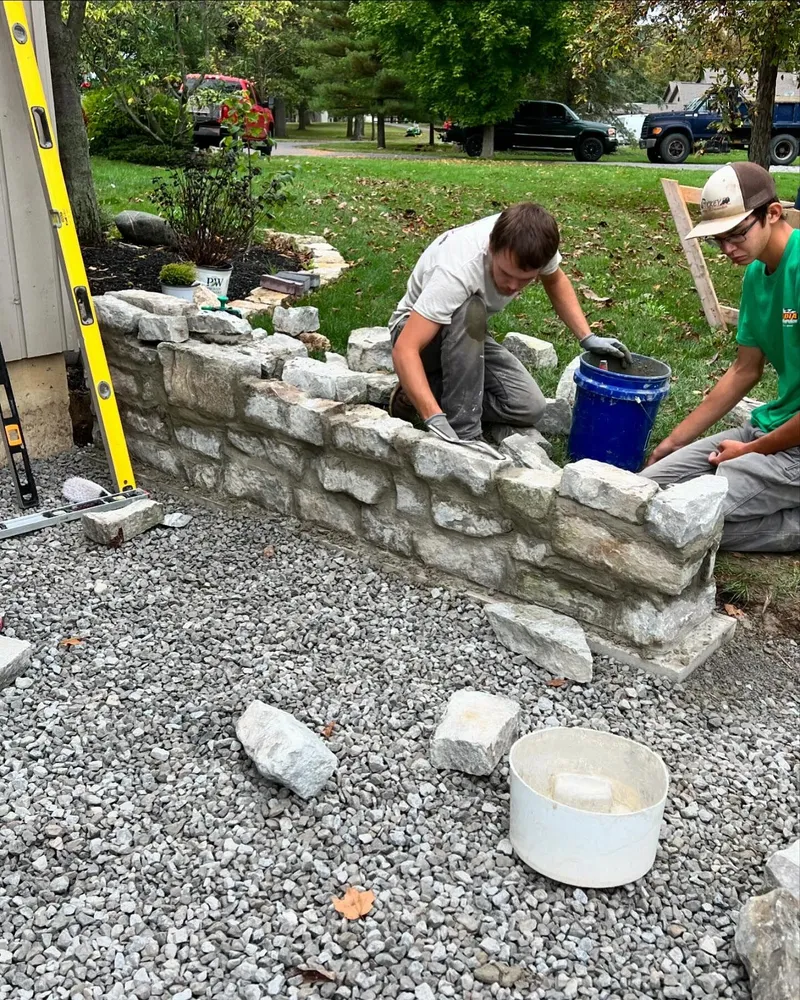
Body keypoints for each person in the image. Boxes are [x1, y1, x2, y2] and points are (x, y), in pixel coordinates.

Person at [642, 162, 799, 553]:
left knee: (676, 526)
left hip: (788, 446)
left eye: (736, 235)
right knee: (644, 491)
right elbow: (745, 370)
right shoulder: (755, 275)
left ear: (773, 213)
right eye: (718, 240)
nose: (728, 249)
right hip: (770, 427)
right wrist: (673, 443)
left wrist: (747, 453)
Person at [388, 201, 631, 453]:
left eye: (525, 279)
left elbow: (555, 279)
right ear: (492, 247)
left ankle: (416, 390)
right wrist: (433, 417)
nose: (513, 286)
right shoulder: (458, 270)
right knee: (471, 308)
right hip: (416, 334)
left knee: (527, 405)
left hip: (464, 336)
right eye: (506, 273)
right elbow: (405, 349)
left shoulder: (536, 243)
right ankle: (465, 434)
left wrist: (587, 336)